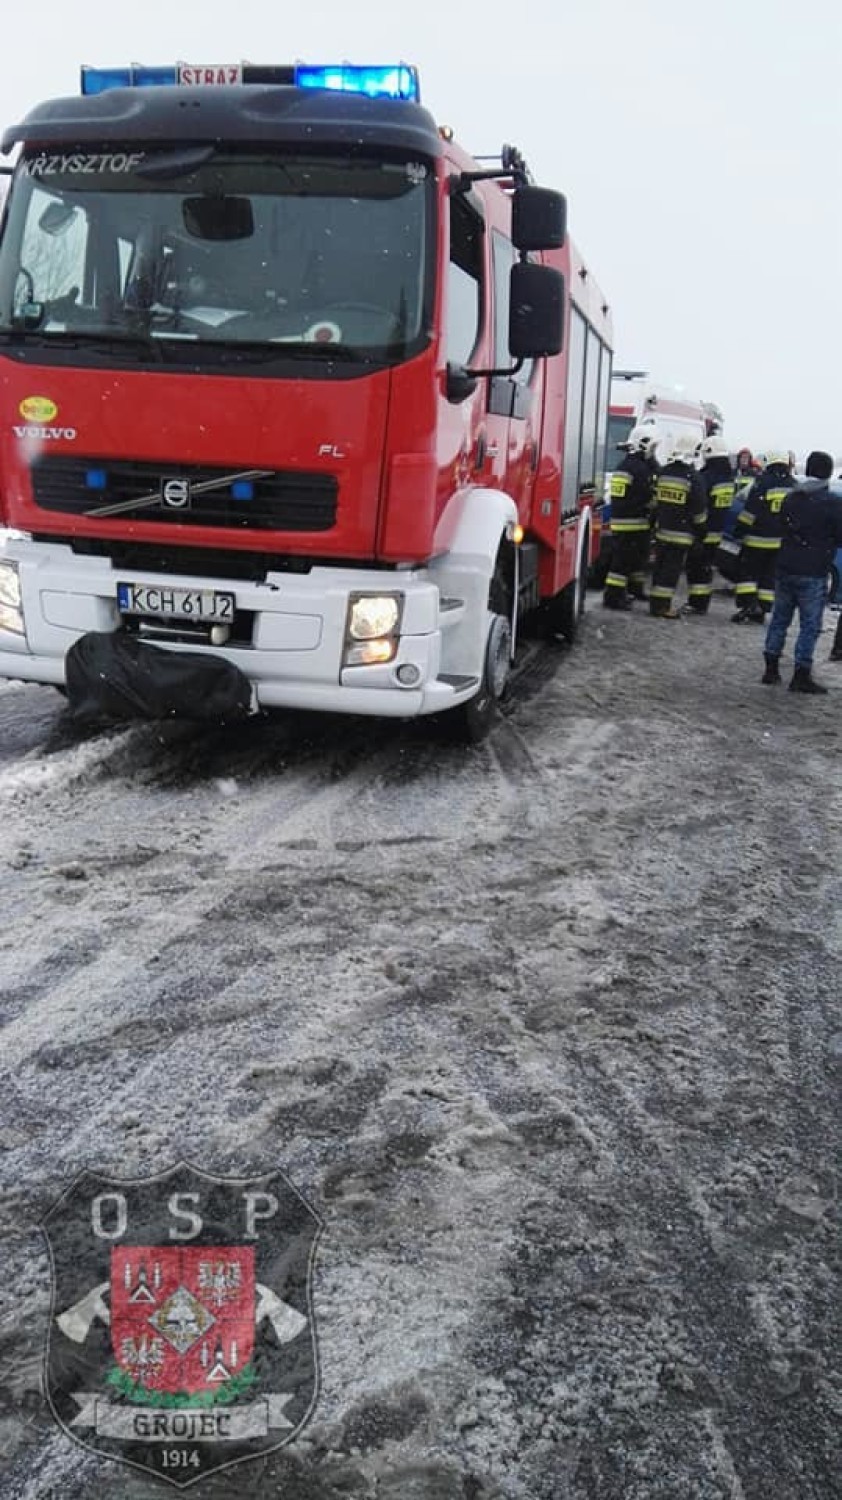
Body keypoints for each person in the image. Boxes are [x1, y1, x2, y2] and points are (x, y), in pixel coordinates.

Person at [762, 451, 842, 693]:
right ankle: (801, 674)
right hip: (813, 570)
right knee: (810, 624)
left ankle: (771, 668)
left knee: (779, 619)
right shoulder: (832, 503)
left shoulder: (791, 498)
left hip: (785, 565)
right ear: (828, 473)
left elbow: (781, 525)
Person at [731, 450, 796, 623]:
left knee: (749, 575)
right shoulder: (794, 485)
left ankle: (748, 606)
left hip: (756, 540)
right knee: (769, 577)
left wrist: (740, 530)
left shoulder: (762, 482)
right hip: (779, 543)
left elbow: (750, 511)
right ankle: (762, 609)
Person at [649, 435, 707, 618]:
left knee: (659, 570)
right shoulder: (693, 478)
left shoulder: (664, 472)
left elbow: (655, 502)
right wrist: (701, 531)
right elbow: (699, 509)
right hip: (681, 535)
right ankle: (662, 608)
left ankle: (655, 604)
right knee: (670, 573)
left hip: (662, 531)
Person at [602, 424, 659, 610]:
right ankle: (614, 597)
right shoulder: (639, 469)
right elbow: (644, 495)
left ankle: (634, 589)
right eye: (653, 448)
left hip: (626, 522)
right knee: (622, 563)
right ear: (644, 445)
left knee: (635, 559)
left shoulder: (626, 466)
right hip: (633, 522)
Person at [685, 435, 735, 615]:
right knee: (705, 568)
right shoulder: (728, 479)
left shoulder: (706, 477)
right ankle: (701, 604)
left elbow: (698, 503)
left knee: (696, 568)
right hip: (717, 532)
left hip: (702, 530)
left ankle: (696, 603)